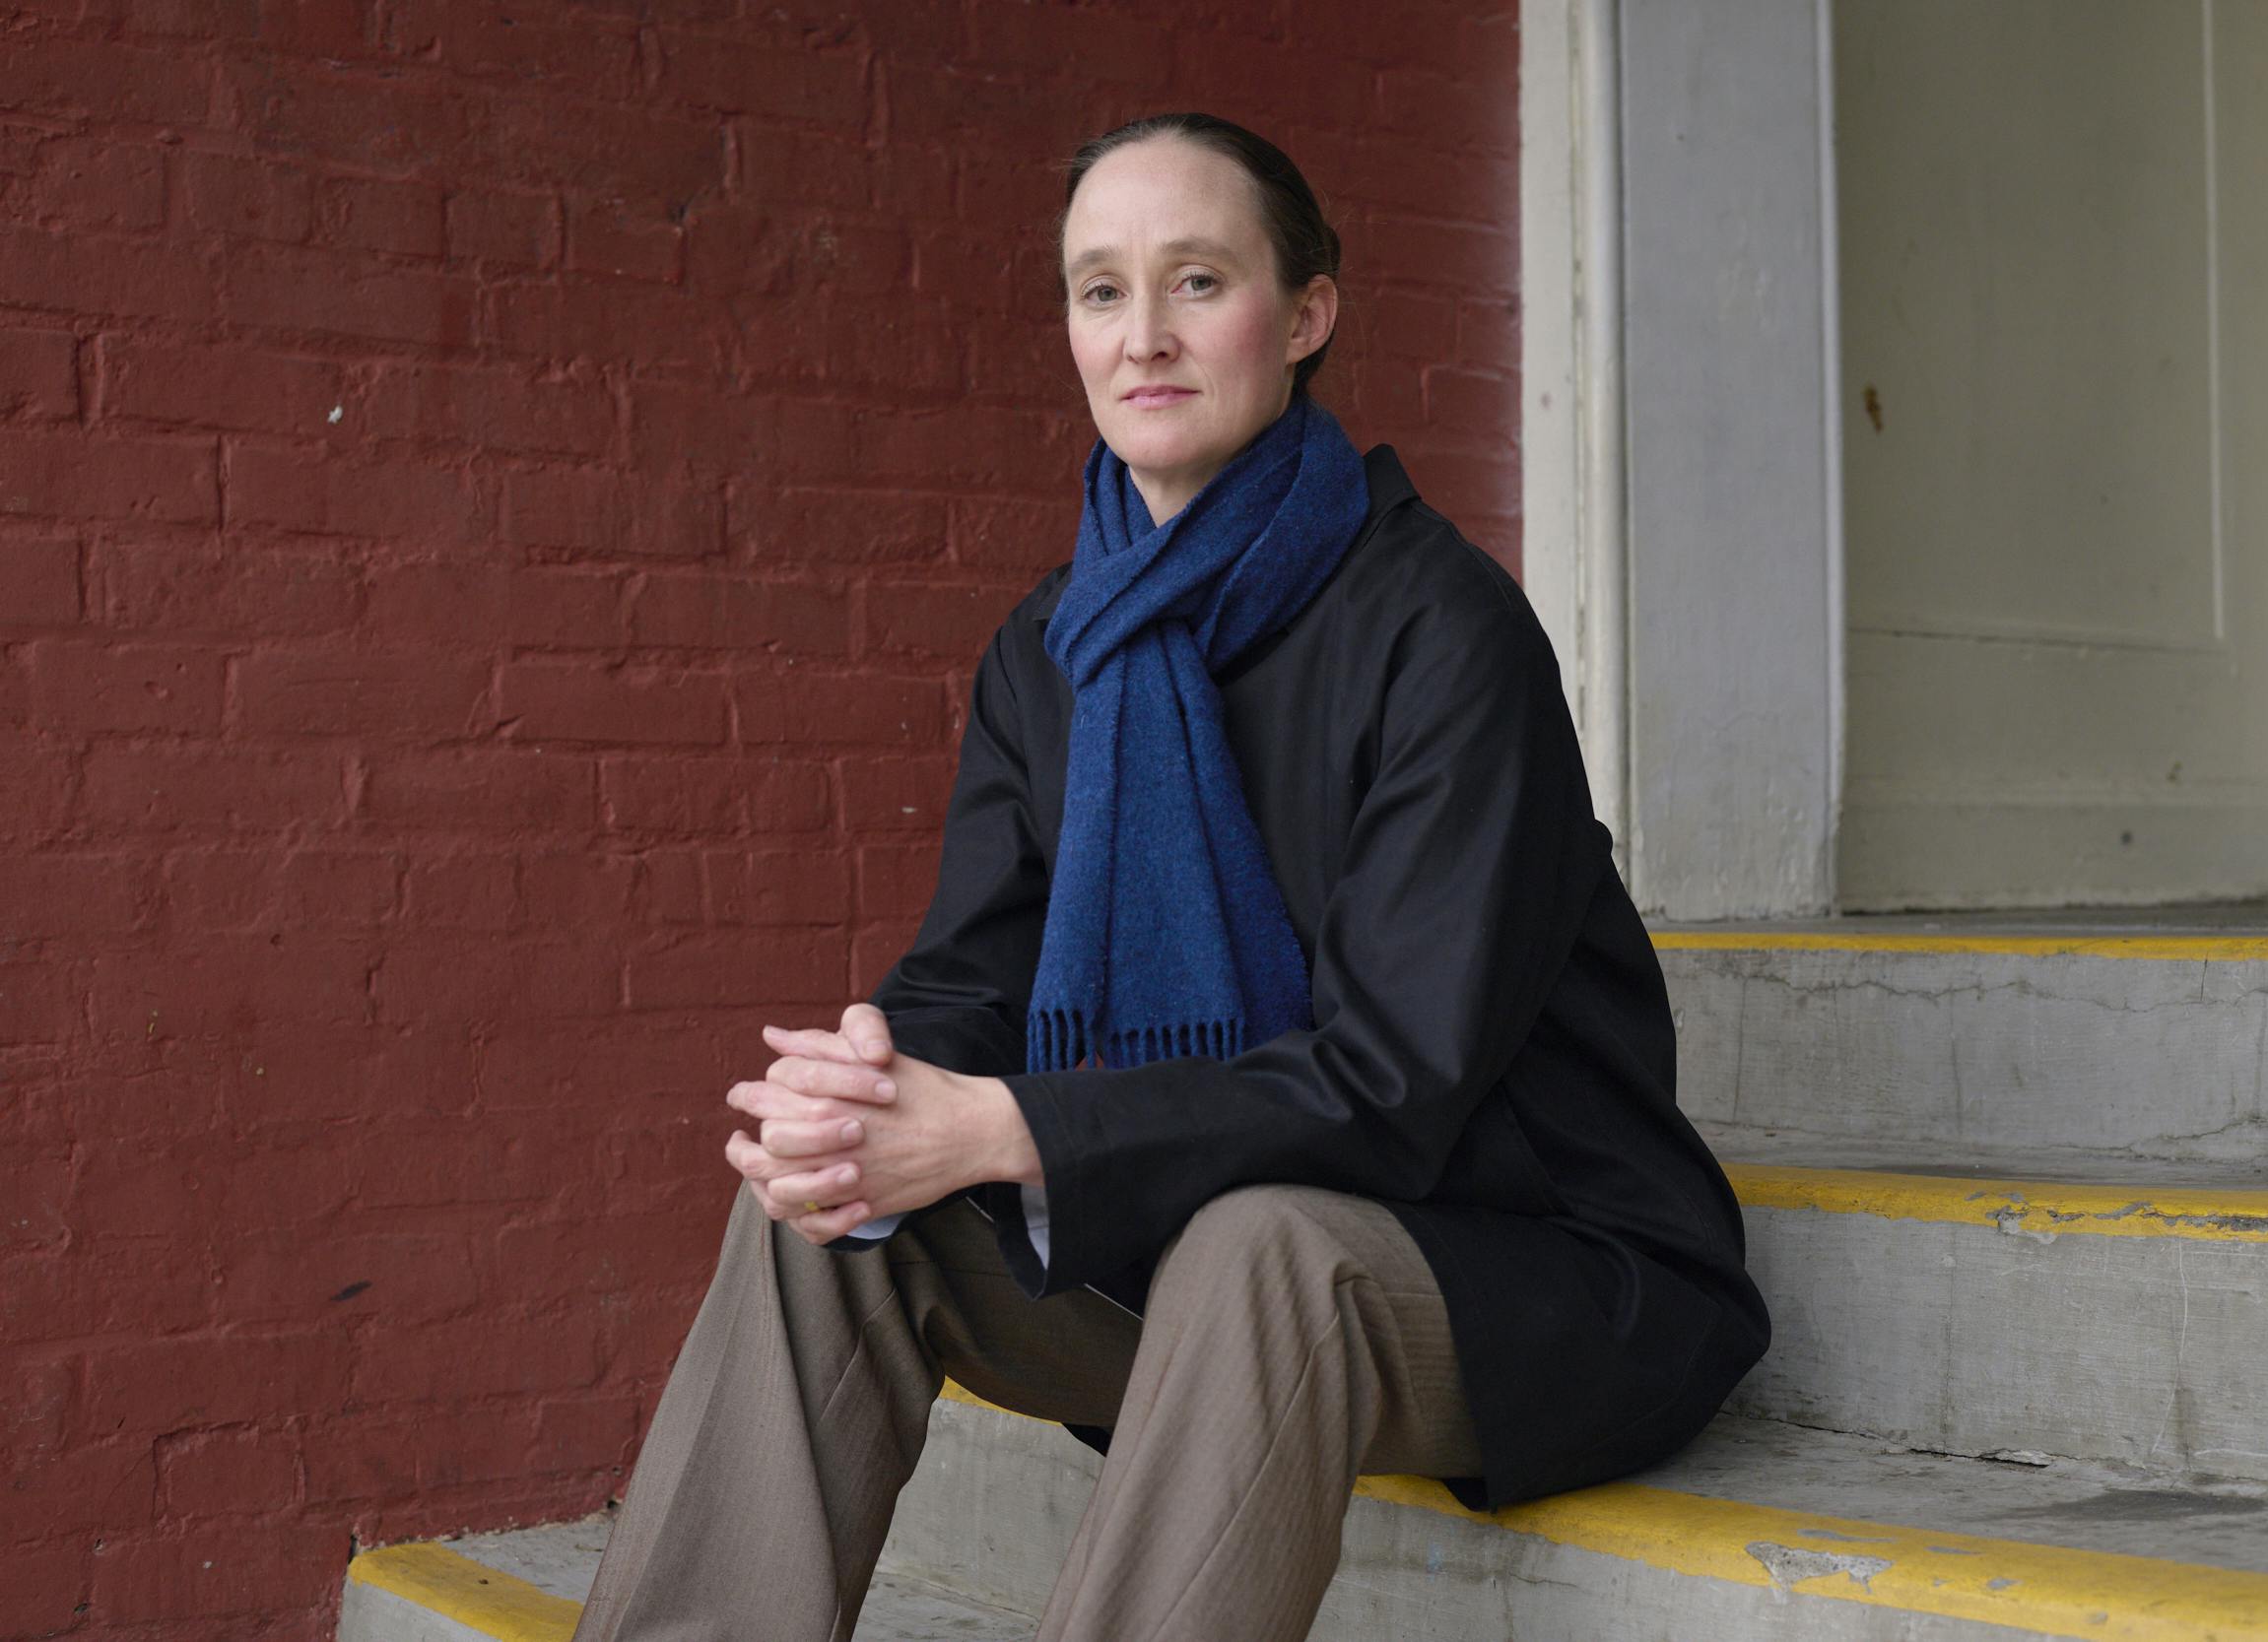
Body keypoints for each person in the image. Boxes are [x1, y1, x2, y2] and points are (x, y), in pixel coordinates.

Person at [570, 112, 1769, 1642]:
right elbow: (972, 974)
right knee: (828, 1212)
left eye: (1199, 281)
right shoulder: (1053, 644)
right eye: (1098, 291)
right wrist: (877, 1092)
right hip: (1183, 1269)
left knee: (1263, 1245)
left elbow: (1394, 1083)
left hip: (1530, 1270)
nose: (1143, 336)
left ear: (1308, 314)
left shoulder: (1444, 636)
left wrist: (1011, 1127)